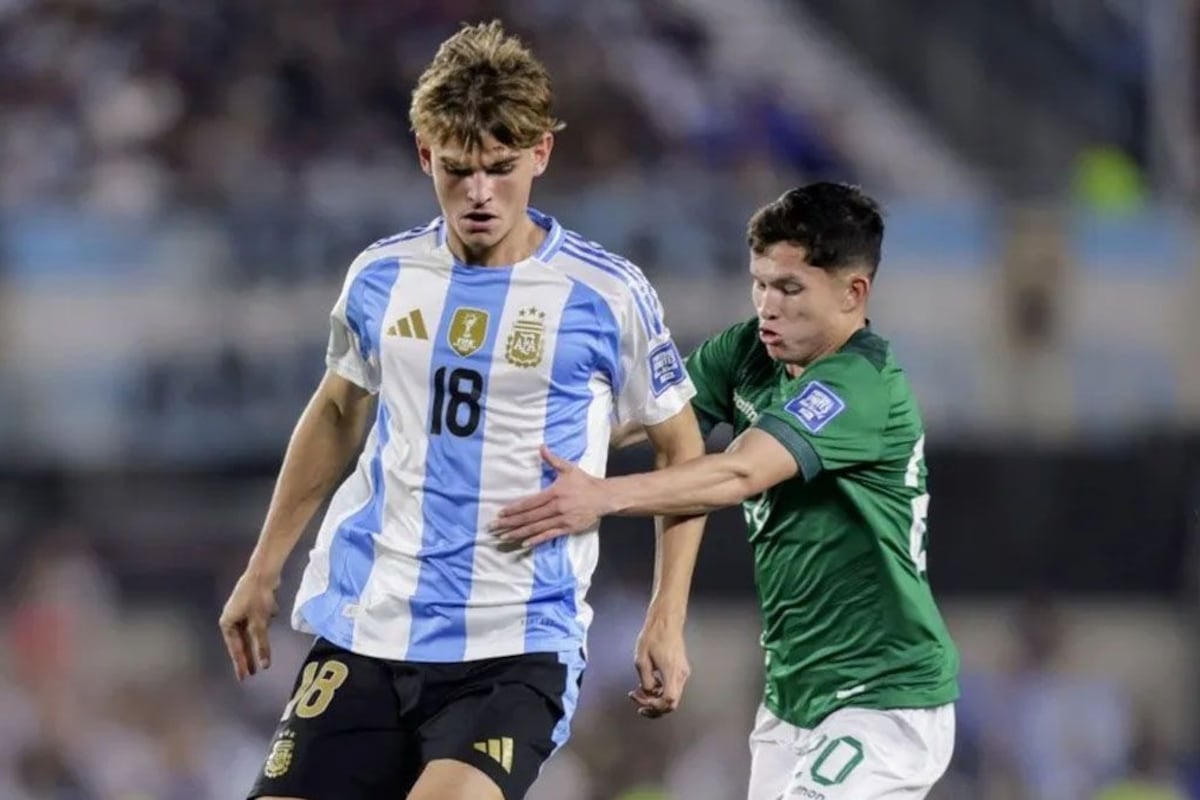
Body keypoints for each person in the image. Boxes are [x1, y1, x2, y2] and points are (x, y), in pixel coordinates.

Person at [217, 20, 707, 800]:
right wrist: (263, 565)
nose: (480, 193)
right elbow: (339, 411)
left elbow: (684, 453)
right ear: (425, 155)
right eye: (458, 169)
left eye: (502, 168)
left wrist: (665, 617)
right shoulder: (381, 276)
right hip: (371, 628)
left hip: (514, 647)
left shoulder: (606, 294)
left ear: (541, 153)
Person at [493, 182, 960, 799]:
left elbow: (736, 473)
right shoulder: (746, 351)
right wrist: (506, 426)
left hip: (885, 698)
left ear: (854, 292)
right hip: (793, 697)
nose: (768, 305)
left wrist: (601, 496)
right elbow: (644, 421)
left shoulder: (861, 384)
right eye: (760, 282)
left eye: (790, 289)